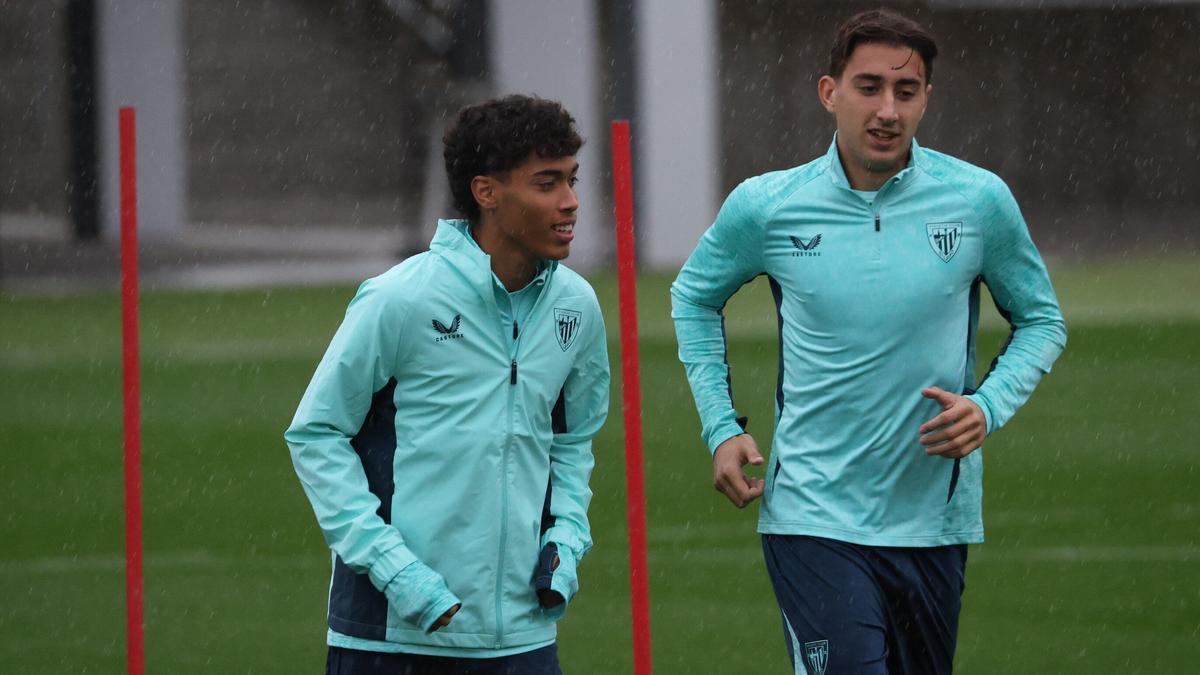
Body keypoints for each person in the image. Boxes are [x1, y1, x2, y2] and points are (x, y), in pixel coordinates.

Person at [671, 9, 1067, 674]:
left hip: (933, 522)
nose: (888, 109)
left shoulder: (977, 202)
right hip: (811, 514)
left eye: (905, 92)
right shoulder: (769, 206)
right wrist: (720, 425)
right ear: (830, 92)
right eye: (869, 86)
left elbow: (1042, 320)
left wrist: (988, 406)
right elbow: (693, 295)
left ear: (926, 100)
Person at [286, 94, 609, 675]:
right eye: (546, 183)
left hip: (524, 642)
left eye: (571, 180)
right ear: (486, 192)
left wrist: (565, 543)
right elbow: (316, 435)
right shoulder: (400, 299)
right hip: (392, 640)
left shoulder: (577, 308)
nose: (570, 202)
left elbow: (573, 440)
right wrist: (399, 574)